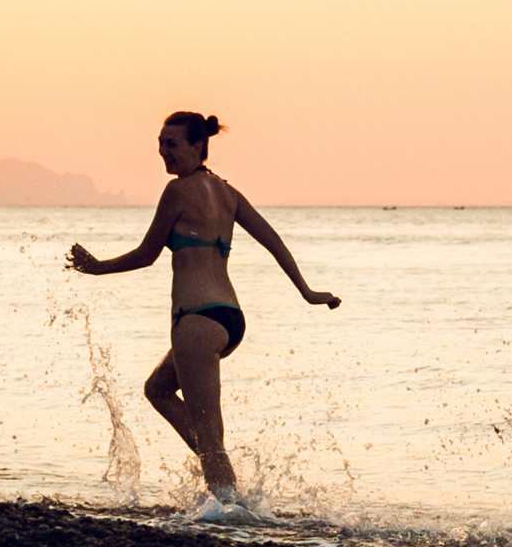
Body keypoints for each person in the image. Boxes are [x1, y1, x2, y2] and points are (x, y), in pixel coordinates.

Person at [67, 111, 340, 510]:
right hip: (229, 318)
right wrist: (306, 290)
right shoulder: (227, 192)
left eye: (172, 144)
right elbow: (273, 240)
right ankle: (223, 480)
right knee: (158, 390)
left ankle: (230, 509)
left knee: (210, 435)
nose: (163, 151)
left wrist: (96, 268)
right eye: (160, 143)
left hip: (195, 322)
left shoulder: (177, 192)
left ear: (198, 146)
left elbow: (147, 255)